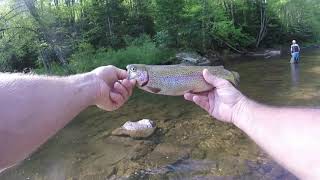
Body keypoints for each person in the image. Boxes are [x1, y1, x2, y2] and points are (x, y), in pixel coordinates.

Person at [0, 66, 319, 179]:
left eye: (135, 71)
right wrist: (241, 112)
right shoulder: (148, 80)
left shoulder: (153, 79)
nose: (133, 73)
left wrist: (238, 108)